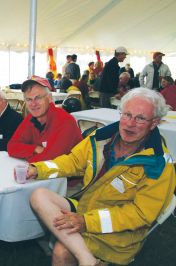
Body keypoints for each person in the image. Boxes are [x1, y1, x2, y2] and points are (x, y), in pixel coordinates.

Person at [27, 87, 175, 265]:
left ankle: (81, 254)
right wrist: (38, 169)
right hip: (86, 207)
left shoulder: (159, 164)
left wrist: (87, 222)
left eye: (140, 118)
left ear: (154, 123)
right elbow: (73, 161)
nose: (130, 123)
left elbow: (140, 214)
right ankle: (87, 259)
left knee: (62, 251)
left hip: (116, 231)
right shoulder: (101, 138)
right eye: (126, 114)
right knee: (38, 195)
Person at [7, 76, 82, 163]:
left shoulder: (65, 121)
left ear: (49, 98)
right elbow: (11, 146)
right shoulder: (31, 118)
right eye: (29, 99)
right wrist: (35, 148)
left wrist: (27, 154)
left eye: (38, 98)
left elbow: (50, 160)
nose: (33, 104)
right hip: (44, 173)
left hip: (71, 175)